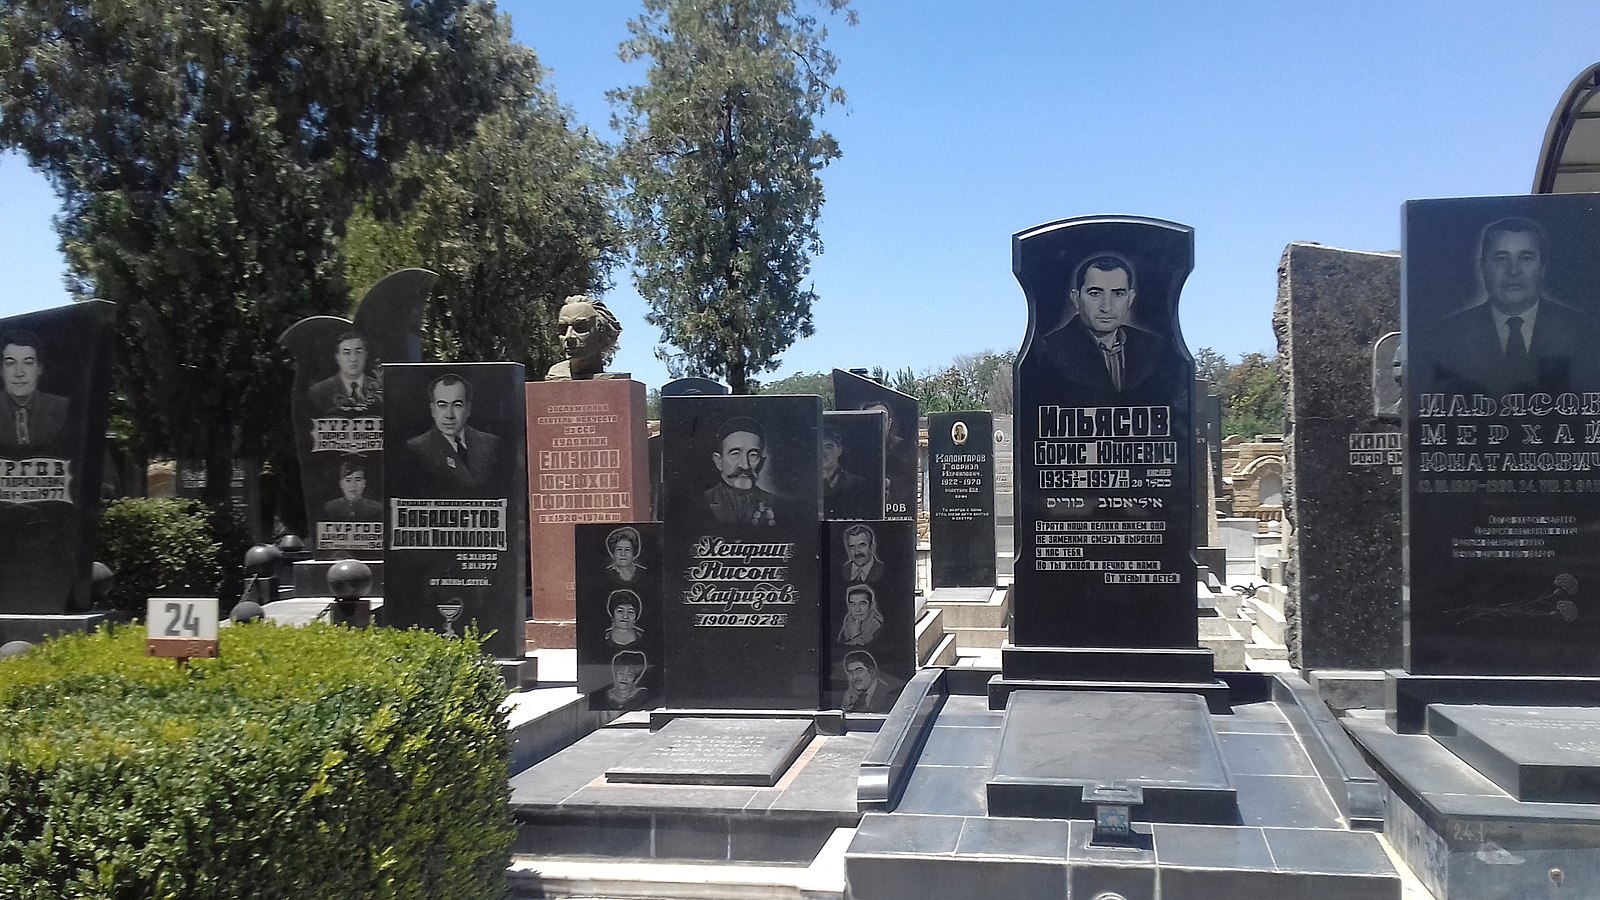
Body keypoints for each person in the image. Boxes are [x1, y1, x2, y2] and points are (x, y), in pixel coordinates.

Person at [1431, 217, 1597, 396]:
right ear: (1482, 268)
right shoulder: (1446, 335)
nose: (1513, 270)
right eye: (1501, 258)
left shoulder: (1586, 331)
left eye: (1526, 258)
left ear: (1543, 267)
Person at [1033, 253, 1163, 394]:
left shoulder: (1154, 348)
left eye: (1118, 294)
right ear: (1076, 298)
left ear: (1130, 299)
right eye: (1095, 293)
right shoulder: (1049, 350)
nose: (1106, 307)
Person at [405, 374, 501, 496]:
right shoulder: (416, 448)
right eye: (442, 405)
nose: (449, 415)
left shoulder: (491, 443)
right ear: (432, 409)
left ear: (468, 409)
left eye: (457, 405)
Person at [0, 331, 69, 455]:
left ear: (39, 369)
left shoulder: (62, 408)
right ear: (1, 370)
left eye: (28, 363)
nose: (19, 373)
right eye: (10, 363)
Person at [703, 416, 780, 526]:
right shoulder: (701, 502)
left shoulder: (777, 505)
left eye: (753, 455)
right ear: (718, 461)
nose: (745, 466)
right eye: (735, 454)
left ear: (762, 462)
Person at [545, 295, 622, 381]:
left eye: (580, 328)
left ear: (601, 331)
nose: (569, 336)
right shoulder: (555, 375)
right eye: (563, 329)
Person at [309, 332, 381, 416]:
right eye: (347, 353)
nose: (353, 358)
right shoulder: (319, 391)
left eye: (358, 352)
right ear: (337, 357)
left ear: (366, 355)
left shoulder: (381, 389)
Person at [821, 422, 873, 520]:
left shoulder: (858, 484)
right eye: (818, 446)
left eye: (828, 447)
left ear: (840, 450)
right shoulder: (802, 484)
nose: (822, 452)